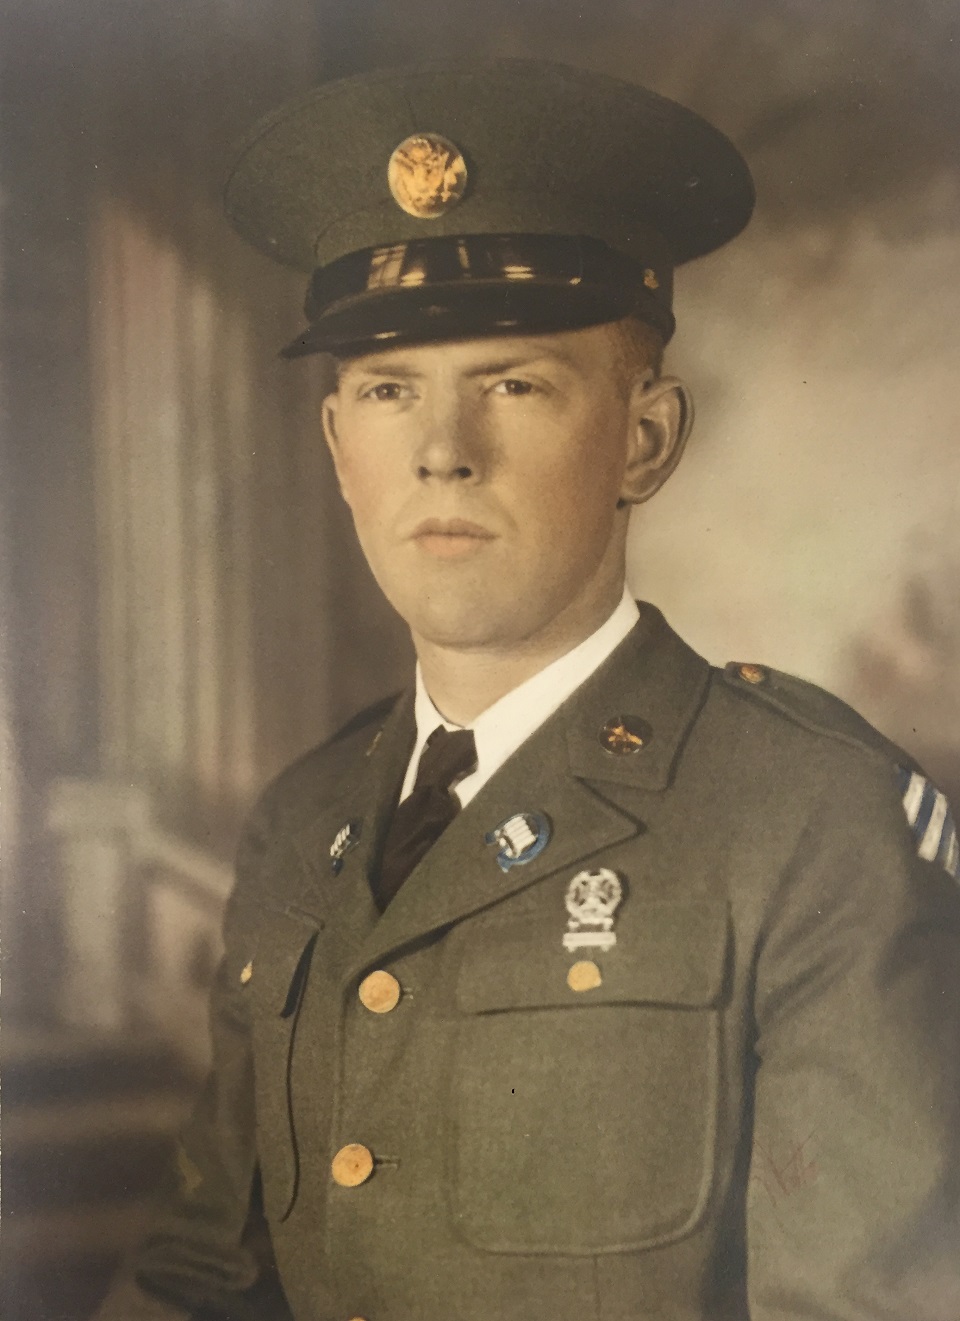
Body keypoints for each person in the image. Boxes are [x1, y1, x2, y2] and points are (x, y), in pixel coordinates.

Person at [96, 58, 960, 1321]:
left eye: (513, 383)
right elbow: (196, 1278)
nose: (442, 453)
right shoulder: (304, 820)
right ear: (341, 448)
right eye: (390, 392)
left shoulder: (808, 824)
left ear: (644, 440)